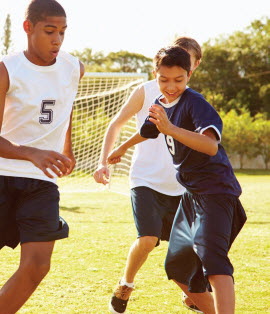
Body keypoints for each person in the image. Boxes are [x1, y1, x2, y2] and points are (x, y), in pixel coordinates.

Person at [108, 46, 247, 314]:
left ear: (189, 76)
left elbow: (210, 146)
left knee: (213, 259)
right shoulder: (159, 104)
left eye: (178, 80)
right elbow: (148, 131)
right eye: (164, 79)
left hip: (216, 192)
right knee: (178, 267)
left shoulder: (195, 103)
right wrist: (122, 147)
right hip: (191, 195)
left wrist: (171, 129)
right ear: (155, 75)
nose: (171, 86)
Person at [94, 38, 202, 314]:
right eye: (169, 69)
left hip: (181, 187)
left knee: (188, 248)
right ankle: (125, 285)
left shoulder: (194, 100)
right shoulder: (146, 92)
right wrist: (103, 161)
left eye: (184, 67)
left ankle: (194, 294)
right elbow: (116, 124)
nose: (174, 77)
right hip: (145, 181)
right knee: (148, 238)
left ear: (193, 68)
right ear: (159, 69)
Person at [0, 0, 84, 312]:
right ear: (28, 28)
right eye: (50, 31)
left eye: (62, 32)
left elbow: (68, 104)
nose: (57, 39)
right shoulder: (7, 69)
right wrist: (30, 153)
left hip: (40, 183)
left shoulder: (74, 68)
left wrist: (67, 148)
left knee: (37, 266)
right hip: (2, 174)